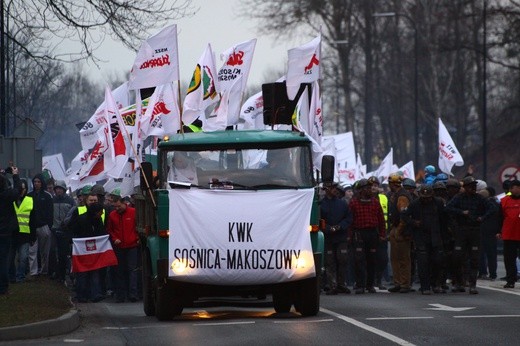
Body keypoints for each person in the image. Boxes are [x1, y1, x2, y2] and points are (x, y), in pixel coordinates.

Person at [446, 176, 497, 294]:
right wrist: (461, 212)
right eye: (470, 186)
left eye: (474, 186)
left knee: (474, 259)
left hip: (475, 230)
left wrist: (482, 217)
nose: (473, 188)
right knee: (457, 257)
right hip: (461, 230)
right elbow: (448, 208)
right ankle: (457, 282)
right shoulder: (459, 198)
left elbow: (492, 208)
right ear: (465, 187)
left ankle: (472, 284)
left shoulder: (479, 198)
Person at [403, 185, 448, 294]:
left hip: (435, 236)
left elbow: (444, 220)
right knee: (423, 263)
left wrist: (445, 236)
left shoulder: (438, 203)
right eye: (424, 197)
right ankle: (425, 286)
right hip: (421, 237)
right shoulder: (414, 204)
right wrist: (414, 223)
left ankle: (435, 284)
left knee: (437, 261)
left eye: (428, 197)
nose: (426, 199)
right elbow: (404, 216)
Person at [348, 179, 386, 294]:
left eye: (370, 188)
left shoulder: (375, 202)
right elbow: (350, 221)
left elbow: (381, 220)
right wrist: (349, 236)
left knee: (372, 260)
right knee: (359, 260)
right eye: (366, 188)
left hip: (372, 234)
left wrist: (382, 234)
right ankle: (360, 285)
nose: (369, 190)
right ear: (361, 190)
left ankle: (370, 285)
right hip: (359, 234)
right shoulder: (353, 203)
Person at [70, 193, 107, 302]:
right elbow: (72, 230)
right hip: (83, 250)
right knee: (83, 273)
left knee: (93, 272)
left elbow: (101, 232)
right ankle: (83, 295)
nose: (101, 214)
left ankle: (94, 294)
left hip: (92, 250)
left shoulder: (97, 220)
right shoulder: (81, 218)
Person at [107, 189, 140, 302]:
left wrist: (136, 239)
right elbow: (110, 230)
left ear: (123, 203)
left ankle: (133, 294)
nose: (117, 209)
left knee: (132, 270)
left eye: (119, 206)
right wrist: (115, 238)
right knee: (119, 271)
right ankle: (121, 295)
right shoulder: (112, 215)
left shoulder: (133, 212)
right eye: (115, 207)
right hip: (119, 247)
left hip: (132, 246)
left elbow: (138, 227)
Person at [320, 183, 353, 295]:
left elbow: (348, 218)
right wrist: (328, 228)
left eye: (335, 188)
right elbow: (319, 219)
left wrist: (339, 226)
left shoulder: (342, 203)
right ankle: (332, 285)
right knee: (330, 262)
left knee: (342, 259)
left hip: (341, 237)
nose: (335, 190)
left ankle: (341, 284)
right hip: (328, 237)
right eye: (332, 188)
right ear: (327, 190)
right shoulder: (321, 204)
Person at [386, 173, 414, 293]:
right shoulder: (396, 195)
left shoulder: (402, 196)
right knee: (395, 258)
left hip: (401, 231)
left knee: (403, 259)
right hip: (396, 229)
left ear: (393, 184)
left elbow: (404, 216)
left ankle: (404, 284)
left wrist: (399, 230)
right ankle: (398, 283)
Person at [9, 179, 36, 283]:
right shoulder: (11, 200)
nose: (22, 190)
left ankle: (20, 276)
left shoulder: (30, 200)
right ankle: (12, 276)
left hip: (25, 234)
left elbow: (33, 220)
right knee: (11, 258)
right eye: (20, 188)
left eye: (24, 188)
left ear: (26, 189)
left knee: (23, 257)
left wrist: (33, 236)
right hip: (12, 233)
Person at [27, 173, 54, 277]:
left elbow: (50, 212)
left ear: (41, 183)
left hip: (44, 226)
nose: (36, 184)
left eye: (38, 182)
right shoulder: (29, 196)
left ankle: (44, 270)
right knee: (32, 251)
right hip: (32, 226)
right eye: (35, 182)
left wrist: (49, 226)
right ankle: (33, 271)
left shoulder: (47, 196)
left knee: (44, 251)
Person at [0, 166, 21, 295]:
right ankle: (3, 287)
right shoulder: (7, 195)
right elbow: (18, 189)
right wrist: (15, 175)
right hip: (5, 232)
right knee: (3, 260)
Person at [51, 180, 76, 283]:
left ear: (64, 190)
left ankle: (62, 275)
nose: (58, 190)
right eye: (57, 189)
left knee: (63, 254)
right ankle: (55, 272)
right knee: (53, 253)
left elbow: (73, 215)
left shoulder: (70, 201)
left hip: (66, 232)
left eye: (60, 189)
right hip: (54, 230)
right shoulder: (52, 200)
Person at [368, 176, 390, 290]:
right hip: (369, 233)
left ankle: (378, 279)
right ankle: (369, 282)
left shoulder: (384, 198)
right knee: (369, 258)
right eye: (371, 186)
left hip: (382, 233)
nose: (373, 188)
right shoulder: (363, 198)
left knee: (383, 258)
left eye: (375, 186)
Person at [498, 179, 520, 288]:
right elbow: (499, 217)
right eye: (513, 187)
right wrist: (498, 231)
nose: (514, 190)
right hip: (509, 234)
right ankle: (510, 279)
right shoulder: (504, 201)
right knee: (509, 259)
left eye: (517, 187)